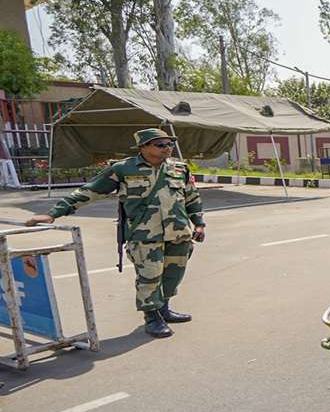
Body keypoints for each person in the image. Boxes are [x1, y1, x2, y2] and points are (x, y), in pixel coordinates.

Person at [25, 128, 205, 338]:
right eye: (160, 144)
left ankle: (163, 309)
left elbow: (192, 197)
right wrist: (53, 214)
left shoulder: (179, 168)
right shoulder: (124, 169)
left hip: (179, 233)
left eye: (170, 144)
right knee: (149, 277)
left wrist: (199, 224)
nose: (167, 148)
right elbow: (90, 191)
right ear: (143, 147)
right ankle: (152, 317)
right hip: (144, 235)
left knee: (173, 274)